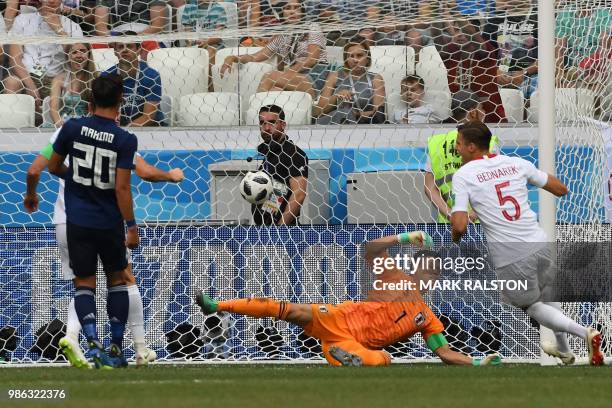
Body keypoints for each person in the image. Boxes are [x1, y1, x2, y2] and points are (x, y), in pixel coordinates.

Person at [195, 230, 502, 366]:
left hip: (351, 342)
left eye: (433, 272)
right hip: (339, 316)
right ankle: (217, 305)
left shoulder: (428, 319)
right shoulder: (394, 275)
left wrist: (476, 362)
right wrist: (405, 238)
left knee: (382, 359)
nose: (428, 275)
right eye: (425, 267)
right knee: (289, 310)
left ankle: (340, 356)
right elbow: (369, 249)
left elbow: (446, 354)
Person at [23, 112, 184, 368]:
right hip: (104, 219)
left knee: (82, 284)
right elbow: (143, 172)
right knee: (123, 277)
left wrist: (34, 193)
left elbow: (36, 169)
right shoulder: (115, 136)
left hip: (66, 220)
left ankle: (73, 337)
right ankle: (138, 347)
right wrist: (171, 175)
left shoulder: (65, 131)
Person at [450, 120, 605, 366]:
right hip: (540, 242)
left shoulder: (464, 175)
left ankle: (585, 333)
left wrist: (456, 235)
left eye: (458, 144)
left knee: (532, 306)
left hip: (511, 254)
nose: (456, 149)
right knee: (548, 296)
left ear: (471, 147)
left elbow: (459, 225)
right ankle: (565, 353)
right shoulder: (515, 162)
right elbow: (560, 188)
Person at [46, 74, 139, 369]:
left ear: (91, 100)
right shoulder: (125, 138)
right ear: (121, 100)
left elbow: (52, 166)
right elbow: (122, 188)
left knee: (83, 284)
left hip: (78, 222)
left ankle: (91, 342)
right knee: (117, 281)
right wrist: (132, 226)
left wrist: (76, 180)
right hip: (108, 221)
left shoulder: (72, 128)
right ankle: (115, 346)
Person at [220, 0, 330, 98]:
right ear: (282, 12)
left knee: (271, 77)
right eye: (288, 8)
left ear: (302, 12)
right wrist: (233, 58)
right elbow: (256, 56)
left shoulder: (313, 27)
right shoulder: (282, 36)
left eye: (296, 8)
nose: (292, 12)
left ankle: (254, 114)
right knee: (273, 93)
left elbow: (312, 59)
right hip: (295, 77)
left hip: (316, 75)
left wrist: (286, 72)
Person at [424, 90, 499, 223]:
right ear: (473, 112)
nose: (485, 112)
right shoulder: (487, 142)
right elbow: (497, 183)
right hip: (483, 224)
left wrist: (450, 215)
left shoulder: (436, 143)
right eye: (481, 108)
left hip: (449, 227)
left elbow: (429, 186)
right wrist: (475, 213)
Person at [3, 0, 83, 124]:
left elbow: (77, 60)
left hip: (56, 79)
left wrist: (58, 29)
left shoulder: (73, 27)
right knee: (11, 82)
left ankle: (65, 127)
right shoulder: (23, 19)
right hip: (27, 77)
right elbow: (15, 59)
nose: (51, 1)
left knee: (72, 83)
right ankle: (10, 125)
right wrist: (31, 86)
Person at [253, 104, 308, 226]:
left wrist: (280, 230)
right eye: (262, 123)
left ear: (283, 125)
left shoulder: (294, 153)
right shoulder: (269, 153)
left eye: (272, 122)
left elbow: (299, 194)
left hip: (284, 232)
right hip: (266, 228)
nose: (266, 128)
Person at [313, 40, 386, 125]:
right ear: (346, 59)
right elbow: (319, 111)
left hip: (363, 125)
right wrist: (337, 96)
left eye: (359, 55)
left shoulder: (376, 79)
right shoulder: (335, 76)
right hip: (334, 123)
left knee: (347, 113)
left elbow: (379, 114)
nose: (355, 60)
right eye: (351, 56)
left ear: (367, 58)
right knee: (344, 113)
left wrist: (357, 115)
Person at [103, 32, 164, 126]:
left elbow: (148, 117)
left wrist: (125, 131)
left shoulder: (151, 76)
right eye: (120, 47)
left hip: (150, 129)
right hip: (118, 128)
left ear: (139, 49)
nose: (125, 50)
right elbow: (103, 112)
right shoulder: (106, 77)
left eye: (129, 46)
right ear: (115, 51)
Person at [48, 42, 95, 128]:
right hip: (65, 124)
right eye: (74, 52)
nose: (79, 55)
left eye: (83, 51)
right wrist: (60, 124)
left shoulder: (96, 79)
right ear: (68, 57)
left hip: (88, 127)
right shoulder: (59, 80)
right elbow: (53, 109)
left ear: (89, 55)